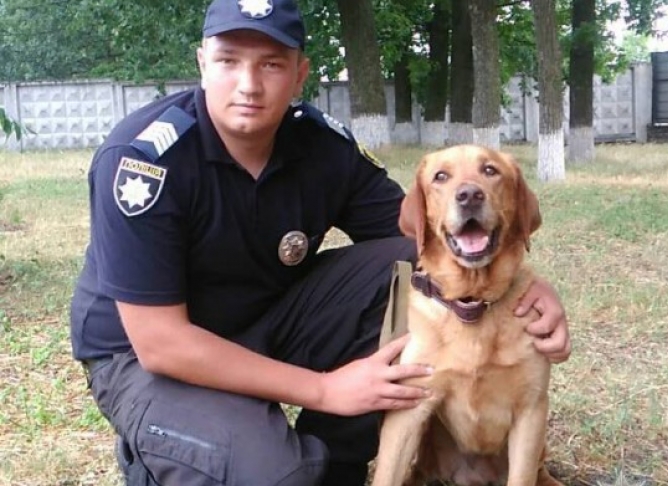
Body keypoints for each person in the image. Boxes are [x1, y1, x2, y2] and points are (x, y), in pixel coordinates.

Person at [69, 0, 571, 484]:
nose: (248, 84)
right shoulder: (143, 162)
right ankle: (161, 456)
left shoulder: (320, 145)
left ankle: (336, 464)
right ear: (203, 64)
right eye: (228, 61)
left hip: (266, 318)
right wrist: (325, 389)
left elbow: (427, 237)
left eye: (271, 64)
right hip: (143, 357)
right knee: (277, 477)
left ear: (300, 74)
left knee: (401, 265)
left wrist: (526, 290)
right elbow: (161, 344)